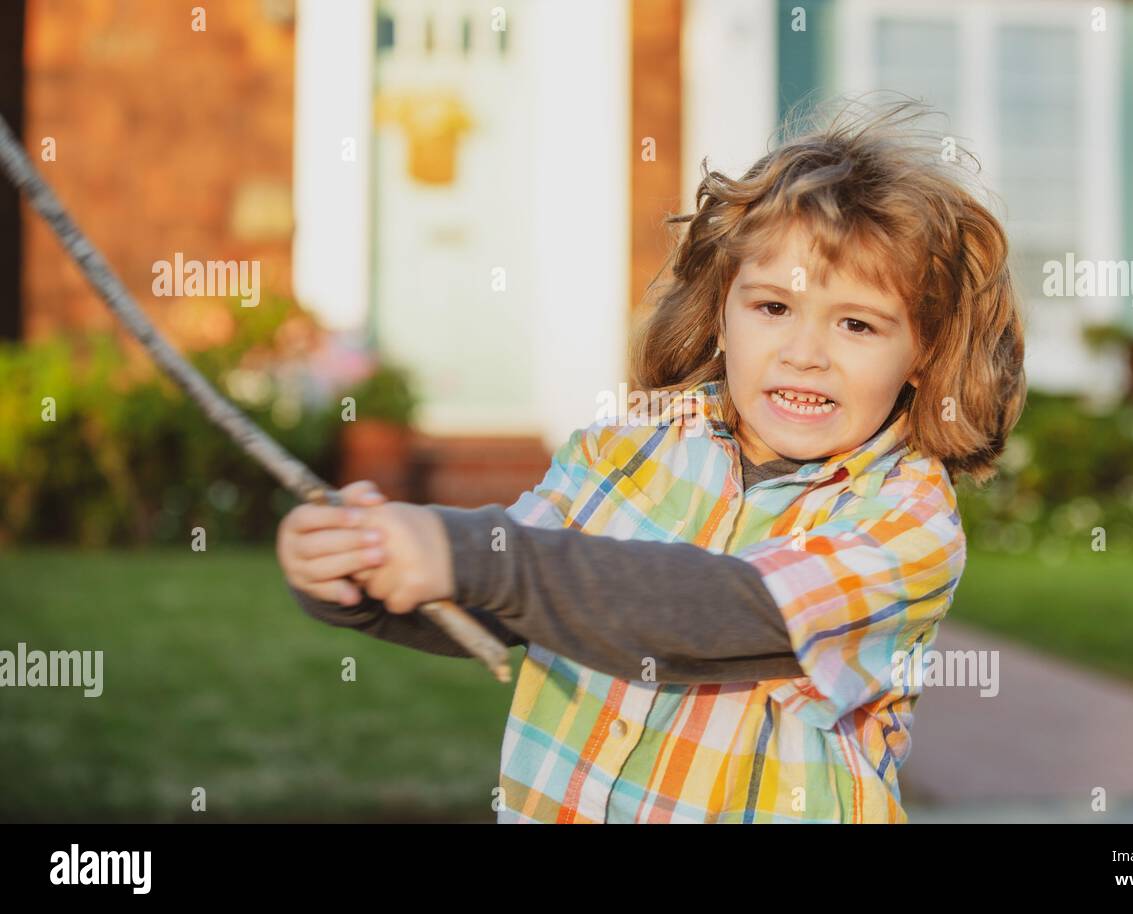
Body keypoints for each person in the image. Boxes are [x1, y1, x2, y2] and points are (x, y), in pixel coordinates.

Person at [277, 97, 1027, 823]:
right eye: (772, 308)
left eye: (857, 325)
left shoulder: (907, 520)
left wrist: (474, 557)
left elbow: (718, 613)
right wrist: (363, 570)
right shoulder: (629, 447)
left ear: (925, 354)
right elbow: (492, 600)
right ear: (721, 314)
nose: (804, 354)